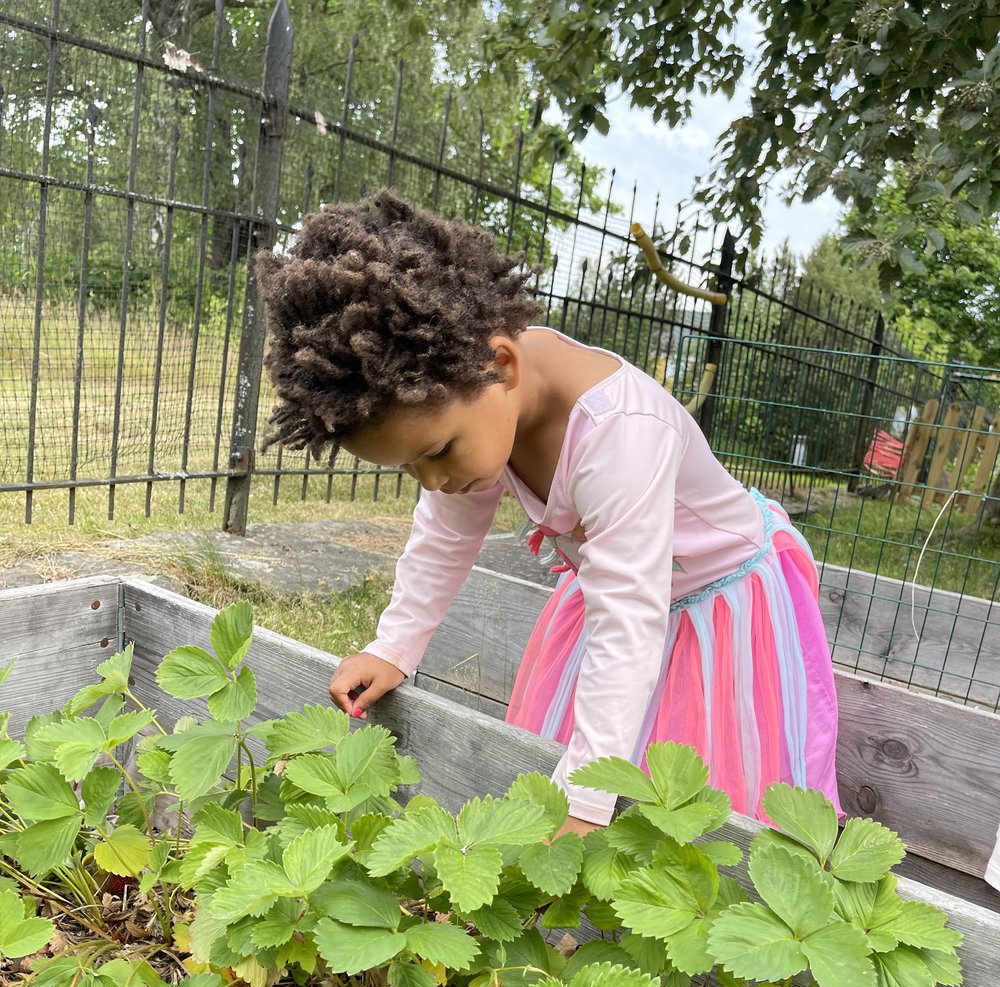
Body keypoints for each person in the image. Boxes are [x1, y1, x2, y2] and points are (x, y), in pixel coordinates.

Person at [256, 189, 841, 838]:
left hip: (716, 607)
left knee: (697, 811)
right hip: (623, 597)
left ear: (500, 363)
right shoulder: (477, 405)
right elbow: (443, 538)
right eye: (410, 469)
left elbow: (628, 620)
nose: (435, 481)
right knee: (578, 766)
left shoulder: (621, 432)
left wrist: (587, 794)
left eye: (437, 452)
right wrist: (394, 646)